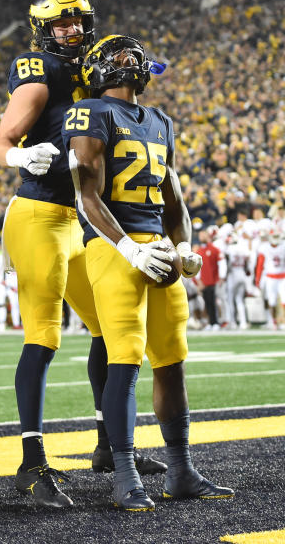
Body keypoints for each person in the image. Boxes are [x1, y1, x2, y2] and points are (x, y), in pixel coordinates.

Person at [0, 0, 162, 508]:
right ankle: (31, 462)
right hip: (39, 215)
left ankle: (109, 444)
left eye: (79, 21)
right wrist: (17, 158)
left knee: (109, 328)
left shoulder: (96, 69)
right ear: (43, 28)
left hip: (84, 220)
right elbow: (0, 142)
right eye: (62, 23)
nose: (72, 31)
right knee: (44, 336)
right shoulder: (43, 71)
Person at [65, 34, 234, 511]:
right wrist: (128, 249)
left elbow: (174, 196)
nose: (129, 60)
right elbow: (86, 194)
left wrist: (183, 245)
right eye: (119, 54)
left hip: (158, 247)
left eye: (133, 54)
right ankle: (124, 473)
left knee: (171, 361)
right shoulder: (90, 112)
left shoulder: (160, 121)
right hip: (112, 248)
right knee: (125, 358)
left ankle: (180, 470)